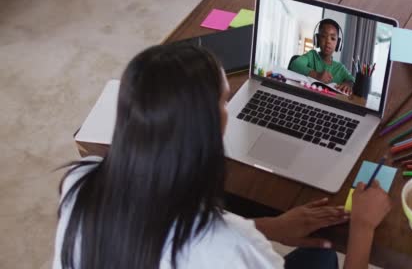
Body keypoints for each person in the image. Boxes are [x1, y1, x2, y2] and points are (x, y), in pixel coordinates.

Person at [53, 44, 391, 269]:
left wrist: (271, 226)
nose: (229, 108)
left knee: (317, 257)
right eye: (225, 101)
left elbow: (159, 229)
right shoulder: (227, 250)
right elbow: (214, 244)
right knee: (322, 258)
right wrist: (362, 227)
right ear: (206, 127)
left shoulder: (79, 182)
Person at [289, 19, 355, 94]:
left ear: (338, 44)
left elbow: (352, 80)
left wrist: (348, 84)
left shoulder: (340, 68)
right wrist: (316, 75)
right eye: (323, 36)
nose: (328, 41)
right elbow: (295, 64)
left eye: (333, 38)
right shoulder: (311, 55)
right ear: (317, 39)